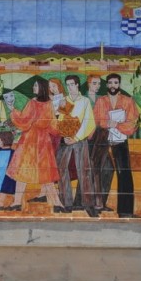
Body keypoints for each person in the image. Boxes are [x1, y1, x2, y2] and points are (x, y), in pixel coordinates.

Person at [5, 78, 64, 212]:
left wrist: (12, 110)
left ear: (42, 88)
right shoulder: (50, 104)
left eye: (35, 86)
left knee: (23, 171)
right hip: (43, 140)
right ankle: (57, 204)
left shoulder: (33, 103)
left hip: (30, 140)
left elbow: (23, 120)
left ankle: (17, 203)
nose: (33, 88)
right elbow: (53, 126)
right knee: (45, 173)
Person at [91, 74, 140, 217]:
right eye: (110, 83)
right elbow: (96, 119)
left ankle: (126, 211)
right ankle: (97, 205)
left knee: (124, 173)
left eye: (116, 82)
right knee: (99, 171)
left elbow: (133, 123)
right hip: (103, 140)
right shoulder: (101, 101)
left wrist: (118, 125)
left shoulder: (128, 101)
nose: (113, 85)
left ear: (119, 84)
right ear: (107, 85)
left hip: (120, 141)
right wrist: (107, 123)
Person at [55, 75, 98, 217]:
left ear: (78, 85)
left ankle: (88, 204)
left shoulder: (84, 101)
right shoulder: (64, 101)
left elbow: (88, 122)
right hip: (65, 140)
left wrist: (76, 137)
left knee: (84, 170)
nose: (69, 87)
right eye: (67, 85)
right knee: (62, 170)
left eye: (72, 84)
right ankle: (66, 203)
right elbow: (60, 120)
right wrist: (65, 135)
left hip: (79, 140)